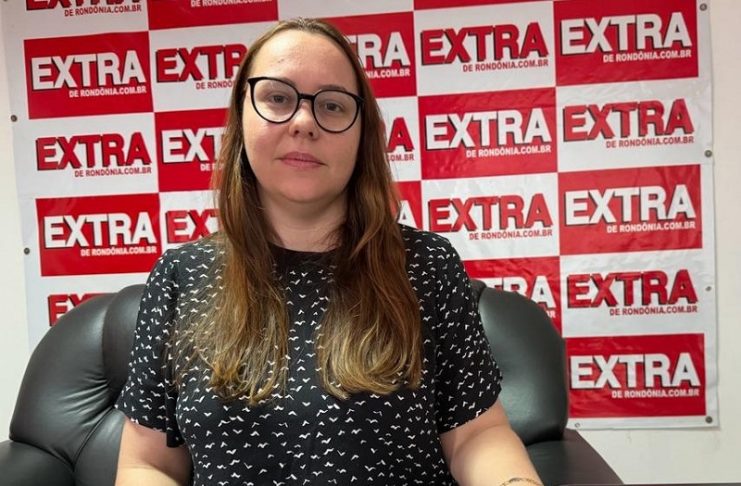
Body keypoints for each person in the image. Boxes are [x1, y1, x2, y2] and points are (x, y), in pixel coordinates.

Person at [114, 17, 543, 486]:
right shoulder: (181, 276)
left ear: (362, 135)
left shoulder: (427, 265)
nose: (303, 122)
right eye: (278, 98)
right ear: (241, 116)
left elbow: (477, 435)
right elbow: (148, 463)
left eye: (332, 105)